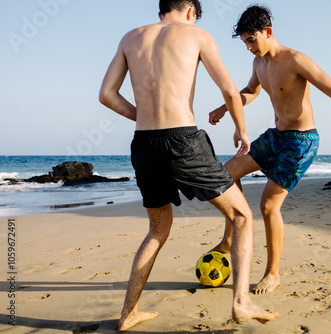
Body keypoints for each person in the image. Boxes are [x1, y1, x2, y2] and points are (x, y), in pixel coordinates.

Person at [99, 0, 279, 330]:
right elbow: (228, 89)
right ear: (190, 13)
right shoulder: (196, 35)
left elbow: (107, 95)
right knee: (241, 216)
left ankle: (128, 313)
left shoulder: (130, 38)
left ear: (160, 12)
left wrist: (146, 117)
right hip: (182, 140)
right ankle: (241, 302)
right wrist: (241, 129)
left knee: (157, 229)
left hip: (143, 144)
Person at [209, 5, 331, 295]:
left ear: (268, 32)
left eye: (252, 40)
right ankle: (228, 238)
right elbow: (251, 92)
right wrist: (226, 106)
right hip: (276, 136)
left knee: (268, 206)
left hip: (301, 141)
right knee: (227, 175)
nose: (249, 47)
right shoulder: (259, 63)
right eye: (245, 42)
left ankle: (272, 274)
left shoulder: (295, 60)